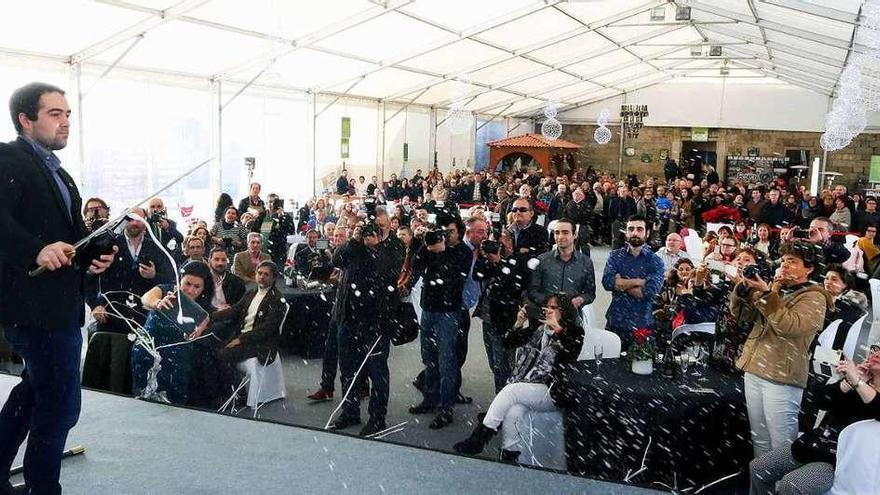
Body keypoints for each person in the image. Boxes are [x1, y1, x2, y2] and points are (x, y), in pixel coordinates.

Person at [0, 82, 115, 494]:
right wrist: (37, 251)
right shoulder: (7, 158)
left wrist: (97, 251)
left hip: (60, 308)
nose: (66, 121)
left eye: (67, 114)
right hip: (32, 309)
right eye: (55, 114)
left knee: (35, 393)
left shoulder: (60, 172)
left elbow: (73, 235)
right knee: (60, 405)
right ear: (25, 120)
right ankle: (43, 488)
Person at [453, 294, 584, 463]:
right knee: (514, 410)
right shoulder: (538, 328)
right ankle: (510, 453)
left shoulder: (575, 332)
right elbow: (507, 342)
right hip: (530, 386)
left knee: (511, 391)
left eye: (553, 308)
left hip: (553, 389)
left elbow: (570, 353)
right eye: (547, 307)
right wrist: (518, 323)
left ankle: (479, 438)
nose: (548, 311)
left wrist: (557, 330)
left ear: (563, 311)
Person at [731, 241, 833, 457]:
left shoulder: (815, 297)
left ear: (810, 268)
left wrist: (768, 293)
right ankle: (760, 489)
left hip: (782, 377)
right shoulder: (778, 287)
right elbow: (744, 316)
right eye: (784, 260)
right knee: (759, 438)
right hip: (755, 368)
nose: (785, 265)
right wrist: (743, 290)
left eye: (793, 262)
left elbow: (789, 327)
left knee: (782, 445)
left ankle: (782, 488)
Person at [749, 345, 880, 495]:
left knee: (791, 485)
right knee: (758, 468)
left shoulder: (864, 389)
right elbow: (820, 400)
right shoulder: (856, 385)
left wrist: (857, 381)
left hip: (837, 461)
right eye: (876, 348)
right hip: (813, 445)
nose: (877, 353)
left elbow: (876, 407)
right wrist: (848, 383)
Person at [131, 261, 213, 405]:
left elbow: (194, 336)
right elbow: (146, 298)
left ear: (204, 288)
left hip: (178, 358)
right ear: (179, 279)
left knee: (173, 400)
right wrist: (158, 303)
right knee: (143, 397)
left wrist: (196, 332)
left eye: (197, 287)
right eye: (187, 283)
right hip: (148, 351)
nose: (190, 290)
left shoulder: (202, 311)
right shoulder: (165, 290)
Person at [601, 215, 665, 349]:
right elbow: (607, 283)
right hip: (615, 321)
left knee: (640, 367)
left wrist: (620, 282)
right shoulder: (615, 256)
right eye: (631, 229)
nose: (635, 232)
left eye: (639, 229)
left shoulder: (655, 261)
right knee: (610, 366)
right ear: (626, 232)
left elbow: (649, 291)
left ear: (647, 233)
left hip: (642, 324)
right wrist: (640, 281)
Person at [528, 218, 596, 313]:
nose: (560, 236)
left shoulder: (586, 262)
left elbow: (590, 293)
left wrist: (580, 299)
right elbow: (532, 291)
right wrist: (549, 302)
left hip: (572, 316)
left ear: (575, 235)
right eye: (557, 233)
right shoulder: (542, 260)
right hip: (545, 315)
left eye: (565, 232)